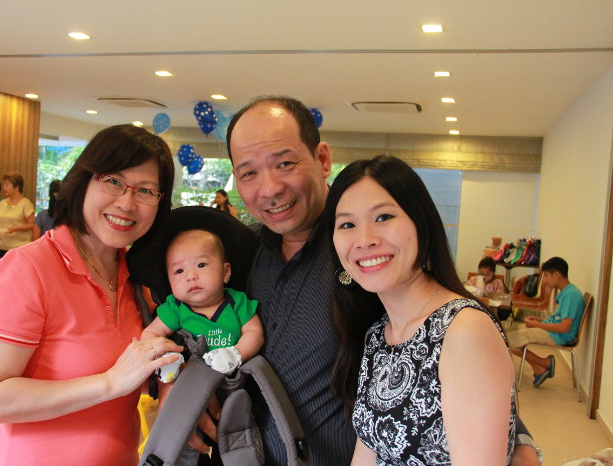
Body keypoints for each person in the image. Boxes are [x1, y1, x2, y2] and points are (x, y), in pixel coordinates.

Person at [224, 95, 541, 466]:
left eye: (285, 163)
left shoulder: (368, 262)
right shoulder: (243, 255)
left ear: (322, 159)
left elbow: (457, 359)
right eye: (248, 173)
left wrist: (518, 438)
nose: (270, 187)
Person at [0, 124, 182, 465]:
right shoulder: (27, 269)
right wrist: (109, 383)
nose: (126, 202)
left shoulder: (138, 277)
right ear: (83, 180)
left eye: (146, 191)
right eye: (113, 181)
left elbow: (138, 370)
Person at [327, 155, 516, 464]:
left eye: (384, 217)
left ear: (421, 222)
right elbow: (368, 450)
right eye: (347, 224)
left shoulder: (463, 330)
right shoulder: (378, 334)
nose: (365, 240)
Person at [143, 229, 263, 378]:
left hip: (233, 376)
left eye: (201, 265)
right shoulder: (176, 308)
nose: (191, 276)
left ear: (225, 272)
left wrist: (237, 354)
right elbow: (150, 333)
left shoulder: (237, 302)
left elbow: (255, 333)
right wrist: (164, 355)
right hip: (190, 377)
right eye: (179, 270)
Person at [505, 256, 585, 387]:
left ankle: (545, 363)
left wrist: (538, 325)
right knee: (509, 332)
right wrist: (540, 320)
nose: (545, 280)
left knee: (508, 339)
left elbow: (564, 327)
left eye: (547, 276)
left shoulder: (571, 295)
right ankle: (540, 368)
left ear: (557, 275)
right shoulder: (568, 292)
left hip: (559, 336)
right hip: (554, 332)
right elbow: (559, 320)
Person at [0, 172, 34, 259]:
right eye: (3, 185)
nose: (4, 188)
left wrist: (16, 228)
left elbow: (32, 225)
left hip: (19, 247)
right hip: (1, 246)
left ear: (17, 187)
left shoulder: (25, 204)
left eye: (7, 185)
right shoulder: (2, 203)